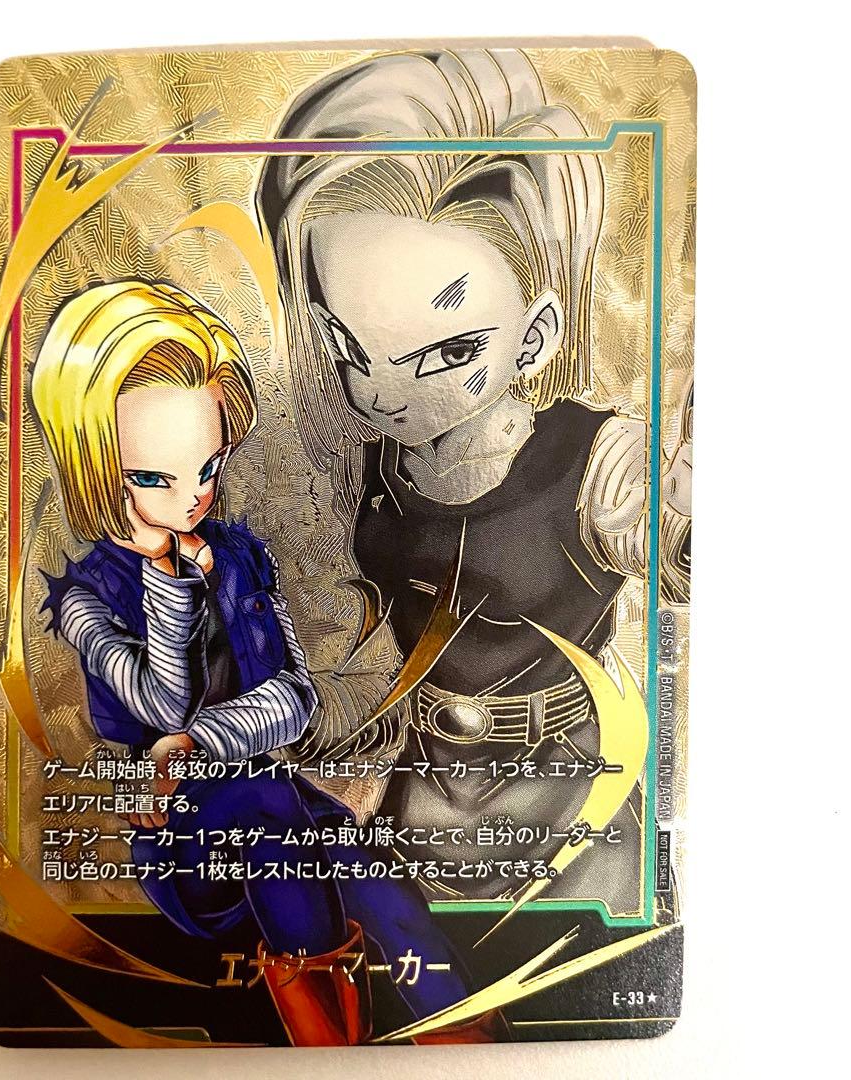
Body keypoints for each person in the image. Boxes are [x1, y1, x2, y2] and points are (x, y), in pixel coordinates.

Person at [257, 49, 692, 905]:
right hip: (411, 800)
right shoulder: (363, 462)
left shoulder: (597, 458)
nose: (382, 394)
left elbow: (675, 551)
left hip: (568, 805)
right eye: (350, 350)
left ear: (534, 337)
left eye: (447, 353)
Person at [30, 278, 497, 1044]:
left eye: (208, 467)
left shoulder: (240, 555)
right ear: (95, 465)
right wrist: (167, 581)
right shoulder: (87, 600)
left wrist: (200, 740)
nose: (193, 496)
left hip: (275, 802)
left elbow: (292, 699)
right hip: (187, 842)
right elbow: (162, 703)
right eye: (153, 477)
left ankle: (476, 1052)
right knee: (272, 823)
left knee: (384, 894)